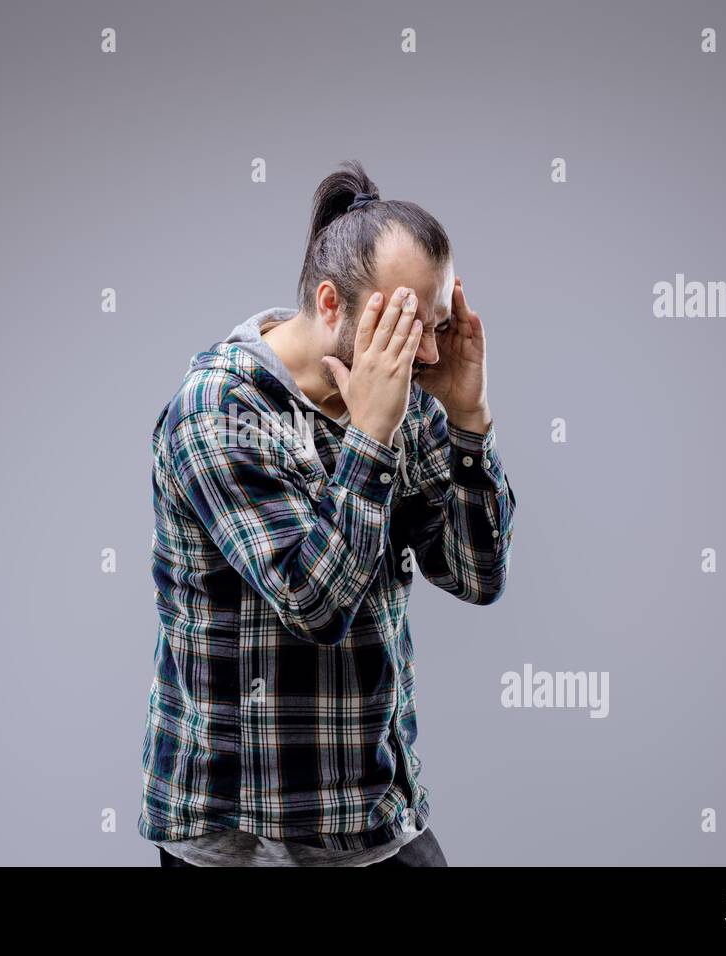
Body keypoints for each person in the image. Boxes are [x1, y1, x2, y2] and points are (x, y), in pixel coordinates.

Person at [139, 160, 516, 866]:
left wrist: (468, 418)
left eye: (435, 323)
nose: (428, 351)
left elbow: (477, 576)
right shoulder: (219, 412)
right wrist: (371, 437)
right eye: (403, 324)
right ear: (332, 304)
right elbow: (313, 605)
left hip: (374, 815)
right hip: (246, 835)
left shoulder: (412, 390)